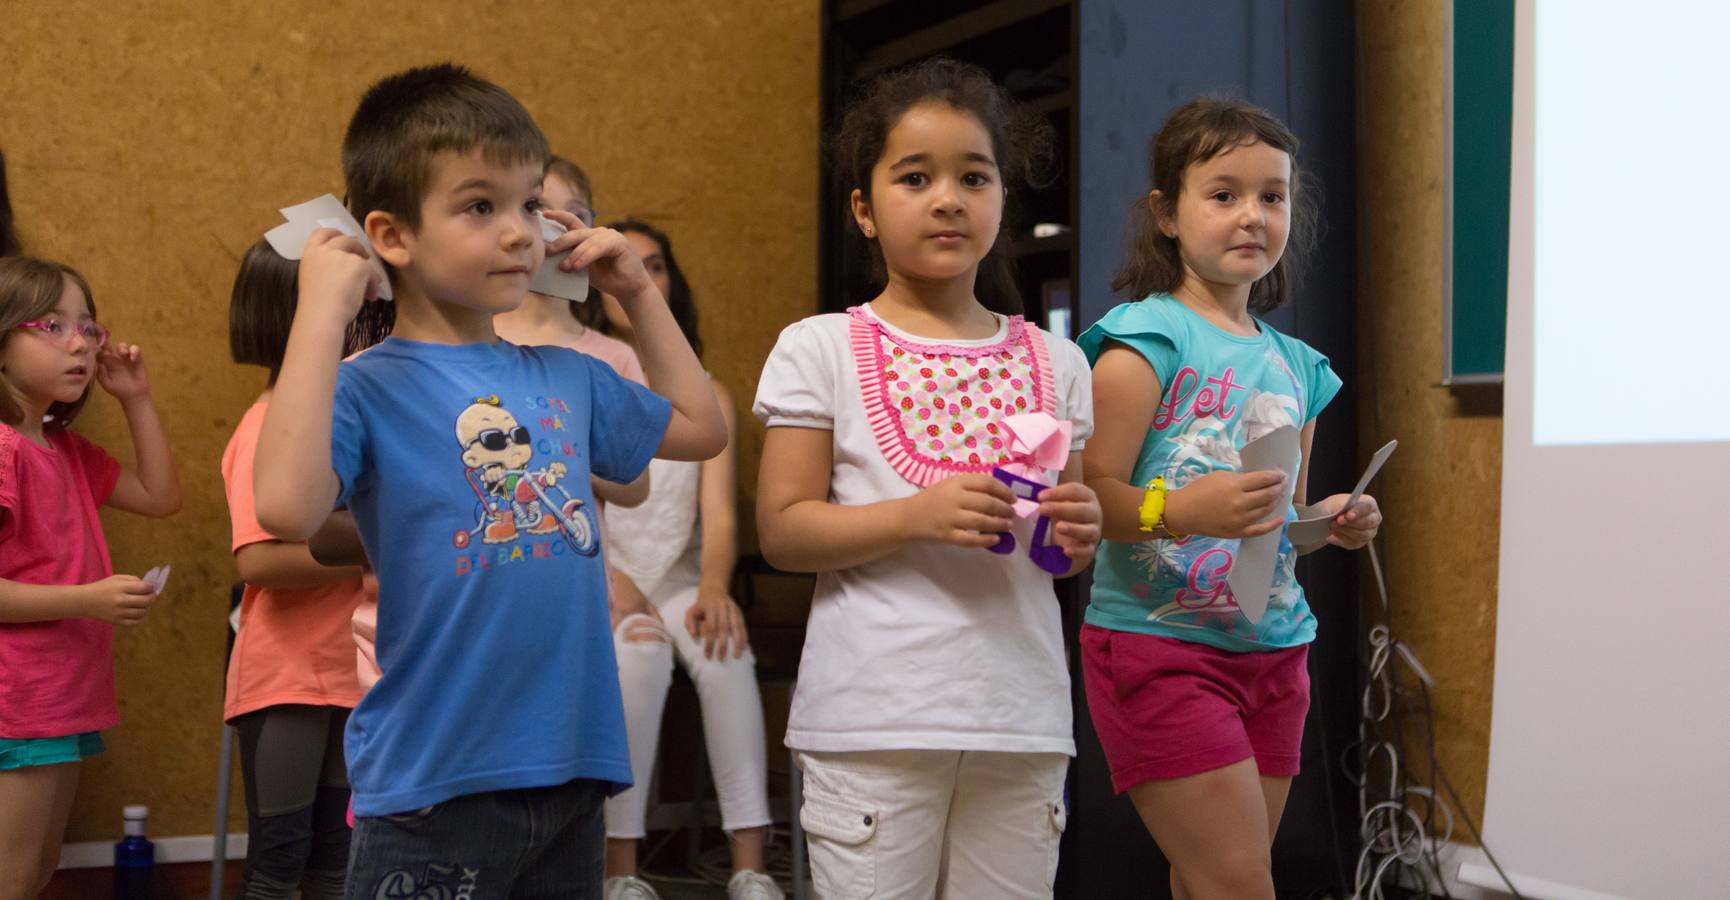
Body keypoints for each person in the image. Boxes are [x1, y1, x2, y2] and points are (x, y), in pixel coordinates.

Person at [252, 63, 725, 898]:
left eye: (530, 203)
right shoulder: (367, 384)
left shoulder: (568, 374)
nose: (519, 232)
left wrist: (636, 293)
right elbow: (285, 507)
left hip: (572, 769)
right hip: (434, 784)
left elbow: (699, 429)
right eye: (480, 206)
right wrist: (322, 313)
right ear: (393, 237)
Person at [753, 58, 1101, 899]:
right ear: (864, 211)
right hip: (873, 721)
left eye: (973, 177)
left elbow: (1064, 556)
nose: (948, 197)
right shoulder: (819, 346)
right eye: (916, 177)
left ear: (1003, 201)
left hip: (1020, 721)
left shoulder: (1058, 361)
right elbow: (785, 532)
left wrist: (1081, 531)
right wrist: (914, 516)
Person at [1077, 97, 1381, 900]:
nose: (1252, 215)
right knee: (1239, 884)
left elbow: (1283, 527)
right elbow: (1084, 498)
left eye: (1272, 196)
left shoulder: (1300, 367)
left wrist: (1333, 523)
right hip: (1159, 650)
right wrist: (1178, 510)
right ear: (1166, 214)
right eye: (1224, 194)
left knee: (1209, 879)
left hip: (1275, 653)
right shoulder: (1143, 340)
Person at [588, 220, 780, 900]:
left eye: (655, 264)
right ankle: (621, 871)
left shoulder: (705, 389)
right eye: (625, 262)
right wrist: (614, 586)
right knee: (637, 656)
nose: (641, 274)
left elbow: (721, 516)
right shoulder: (584, 374)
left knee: (725, 649)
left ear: (669, 282)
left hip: (680, 574)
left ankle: (750, 866)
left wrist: (714, 588)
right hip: (601, 579)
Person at [0, 255, 181, 900]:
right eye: (51, 326)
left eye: (88, 326)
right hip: (18, 702)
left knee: (38, 871)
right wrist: (88, 598)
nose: (79, 342)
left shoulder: (63, 450)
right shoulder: (3, 448)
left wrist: (135, 398)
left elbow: (161, 496)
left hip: (61, 698)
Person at [221, 238, 388, 898]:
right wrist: (379, 545)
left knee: (338, 862)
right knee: (277, 865)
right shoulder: (266, 426)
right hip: (285, 679)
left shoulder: (349, 423)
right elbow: (259, 557)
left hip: (354, 677)